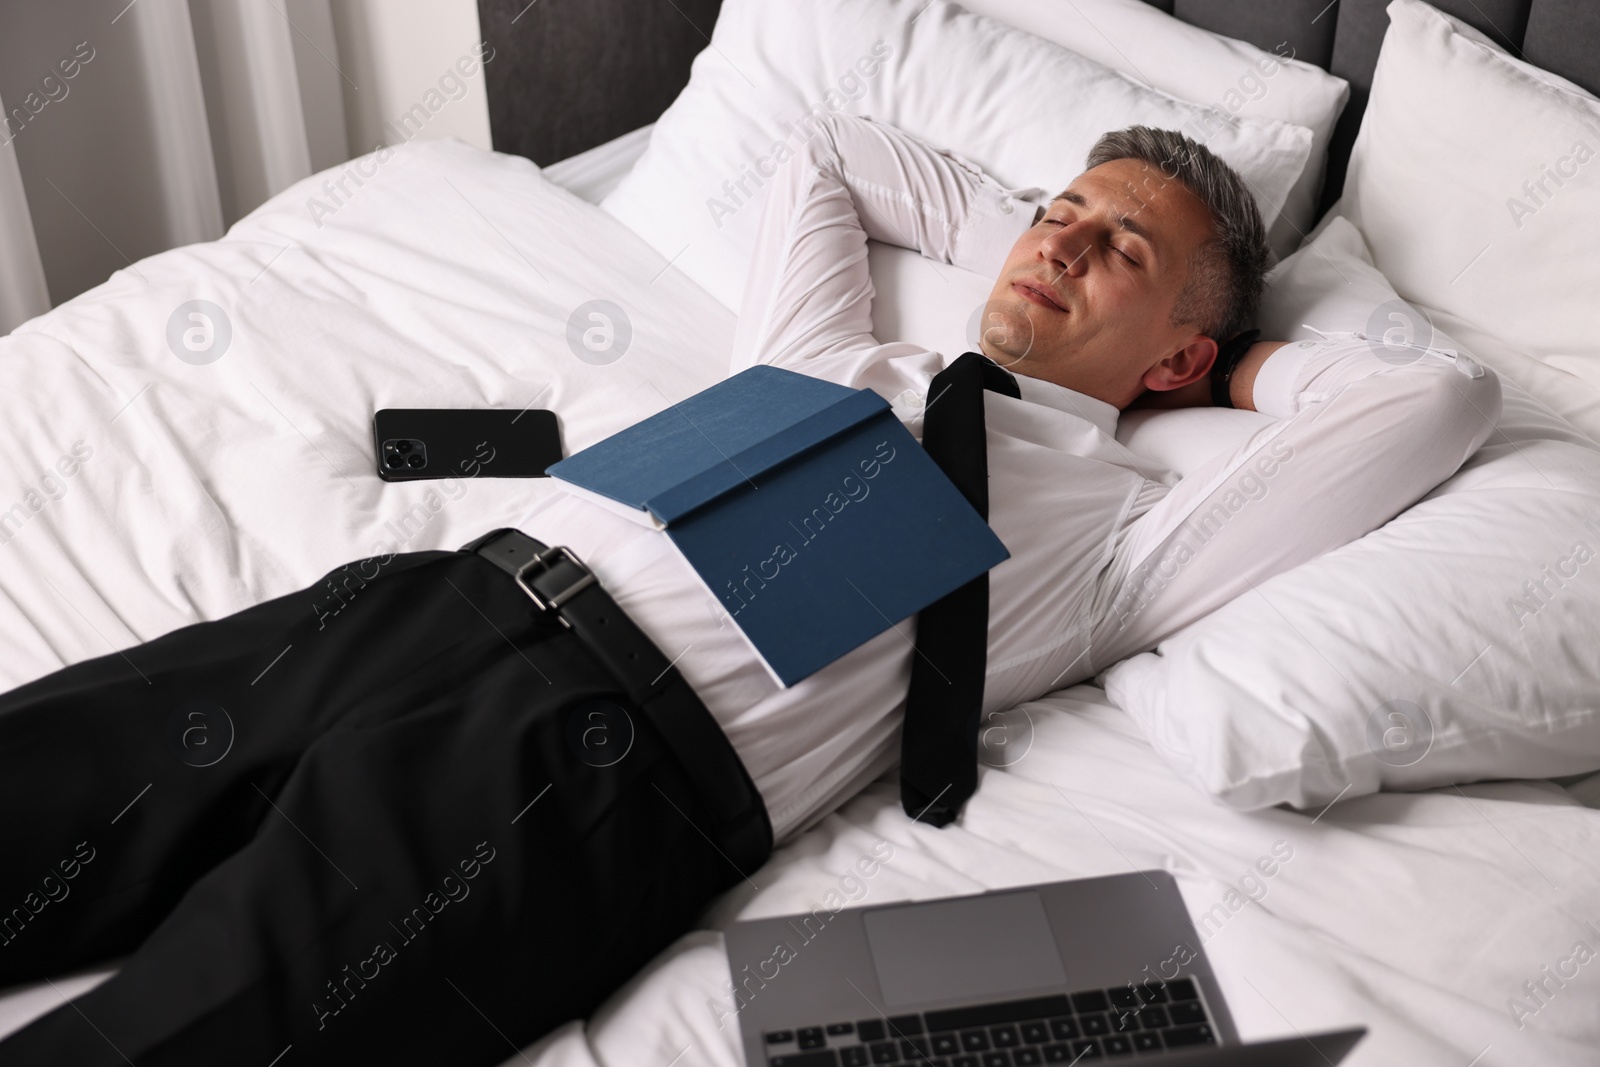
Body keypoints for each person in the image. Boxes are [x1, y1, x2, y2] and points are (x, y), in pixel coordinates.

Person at [0, 112, 1499, 1065]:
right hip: (424, 602)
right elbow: (830, 157)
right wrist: (1047, 249)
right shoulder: (828, 357)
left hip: (585, 768)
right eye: (1061, 208)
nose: (1065, 239)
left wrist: (1224, 363)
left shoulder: (1117, 537)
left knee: (192, 1037)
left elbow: (1437, 405)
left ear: (1177, 356)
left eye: (1121, 251)